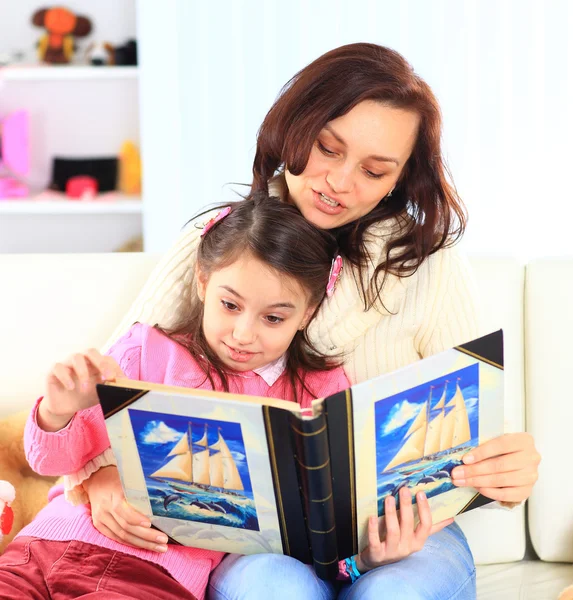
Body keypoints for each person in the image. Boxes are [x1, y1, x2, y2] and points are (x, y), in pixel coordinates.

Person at [79, 43, 540, 600]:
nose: (340, 182)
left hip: (408, 534)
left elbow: (484, 433)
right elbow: (107, 389)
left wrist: (507, 470)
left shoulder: (430, 263)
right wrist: (99, 477)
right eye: (327, 148)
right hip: (256, 544)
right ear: (294, 129)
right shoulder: (219, 242)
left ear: (398, 178)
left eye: (374, 170)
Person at [0, 195, 352, 600]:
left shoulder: (318, 392)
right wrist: (57, 411)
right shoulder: (146, 349)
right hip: (47, 543)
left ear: (307, 312)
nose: (242, 334)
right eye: (229, 304)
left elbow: (329, 525)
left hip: (155, 576)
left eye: (273, 318)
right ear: (203, 280)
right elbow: (50, 461)